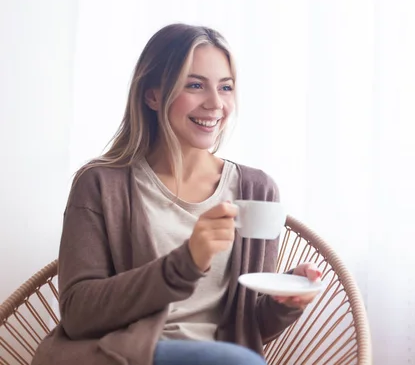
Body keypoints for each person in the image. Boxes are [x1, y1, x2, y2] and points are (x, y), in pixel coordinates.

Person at [31, 23, 321, 365]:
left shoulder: (256, 190)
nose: (215, 103)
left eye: (225, 87)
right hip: (121, 356)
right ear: (152, 95)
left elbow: (247, 329)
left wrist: (283, 302)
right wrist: (186, 263)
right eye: (195, 85)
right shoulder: (100, 184)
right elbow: (78, 314)